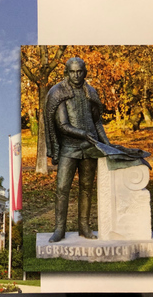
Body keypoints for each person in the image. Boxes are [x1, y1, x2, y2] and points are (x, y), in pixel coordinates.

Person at [45, 57, 109, 243]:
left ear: (84, 72)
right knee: (62, 188)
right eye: (72, 72)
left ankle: (84, 226)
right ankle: (59, 229)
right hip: (69, 148)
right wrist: (83, 133)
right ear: (66, 72)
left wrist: (107, 143)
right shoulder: (59, 93)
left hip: (90, 147)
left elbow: (97, 122)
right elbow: (63, 125)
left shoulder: (90, 92)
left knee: (87, 189)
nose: (76, 75)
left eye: (79, 71)